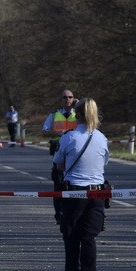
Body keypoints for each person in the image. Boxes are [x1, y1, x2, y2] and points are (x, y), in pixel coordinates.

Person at [52, 98, 109, 271]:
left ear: (77, 115)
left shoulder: (69, 137)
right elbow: (104, 163)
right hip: (97, 193)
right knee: (89, 238)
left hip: (74, 192)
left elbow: (58, 165)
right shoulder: (101, 138)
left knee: (71, 236)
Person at [42, 89, 79, 223]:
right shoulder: (54, 115)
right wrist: (56, 132)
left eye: (70, 97)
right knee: (58, 186)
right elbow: (44, 132)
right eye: (64, 97)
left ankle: (73, 212)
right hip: (59, 153)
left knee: (75, 185)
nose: (68, 99)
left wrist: (80, 105)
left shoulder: (79, 114)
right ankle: (59, 214)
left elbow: (92, 123)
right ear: (61, 100)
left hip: (75, 154)